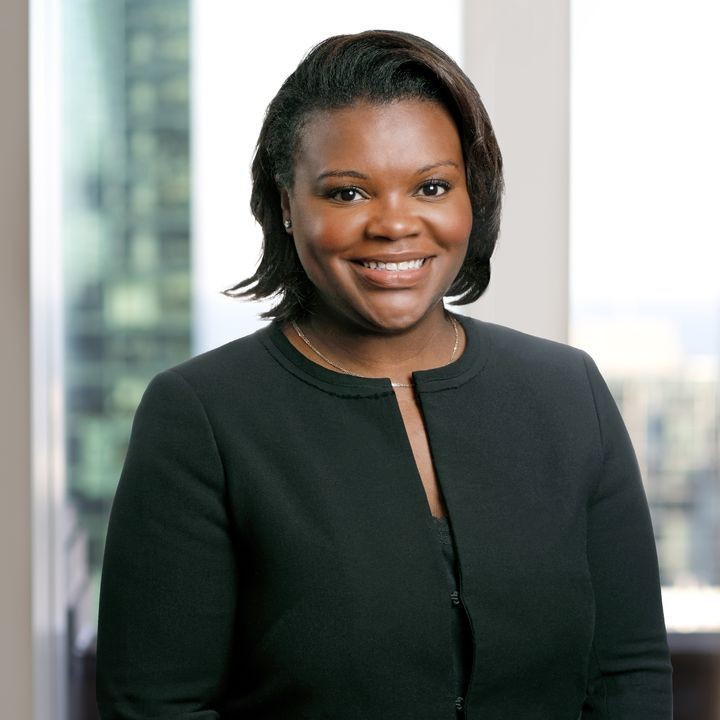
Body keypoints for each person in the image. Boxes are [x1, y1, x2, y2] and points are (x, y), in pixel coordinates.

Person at [96, 30, 672, 719]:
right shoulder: (201, 417)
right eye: (347, 193)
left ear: (473, 196)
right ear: (287, 205)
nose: (395, 224)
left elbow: (628, 677)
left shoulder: (568, 392)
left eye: (431, 186)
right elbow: (155, 707)